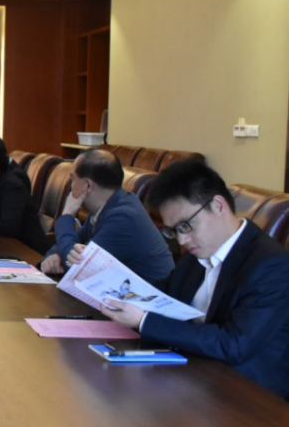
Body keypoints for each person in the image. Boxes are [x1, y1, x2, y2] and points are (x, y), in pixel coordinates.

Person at [100, 160, 289, 399]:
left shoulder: (271, 266)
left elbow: (233, 345)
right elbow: (165, 295)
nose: (181, 240)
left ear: (218, 206)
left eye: (185, 226)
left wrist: (144, 321)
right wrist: (108, 281)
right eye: (173, 230)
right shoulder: (197, 254)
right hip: (194, 374)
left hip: (250, 395)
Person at [39, 148, 173, 282]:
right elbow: (73, 245)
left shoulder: (123, 218)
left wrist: (67, 215)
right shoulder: (107, 206)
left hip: (147, 293)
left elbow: (79, 269)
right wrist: (54, 256)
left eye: (72, 179)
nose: (71, 187)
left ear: (87, 185)